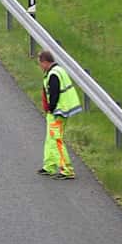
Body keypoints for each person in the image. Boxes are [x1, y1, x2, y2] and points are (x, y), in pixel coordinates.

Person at [38, 50, 81, 179]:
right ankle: (49, 166)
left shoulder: (53, 74)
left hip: (58, 112)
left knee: (56, 139)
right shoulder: (58, 71)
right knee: (50, 139)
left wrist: (50, 108)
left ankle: (67, 169)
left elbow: (55, 94)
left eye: (40, 63)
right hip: (59, 111)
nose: (40, 66)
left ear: (45, 62)